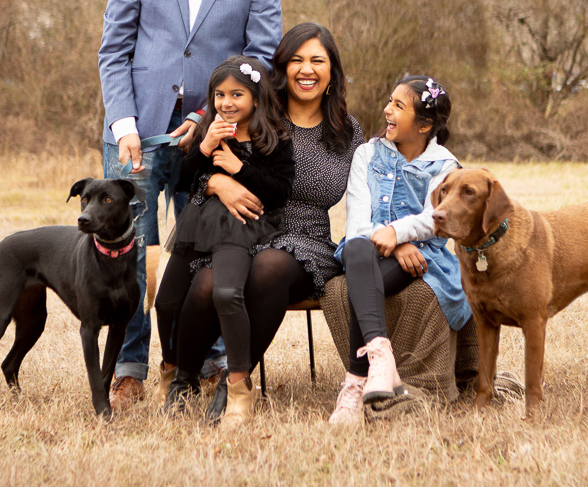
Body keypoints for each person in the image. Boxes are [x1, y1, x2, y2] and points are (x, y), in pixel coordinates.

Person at [98, 0, 283, 409]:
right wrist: (124, 124)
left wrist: (212, 120)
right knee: (130, 250)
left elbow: (261, 55)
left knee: (205, 247)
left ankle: (200, 358)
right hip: (138, 132)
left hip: (217, 133)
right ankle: (129, 365)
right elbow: (115, 46)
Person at [170, 22, 364, 422]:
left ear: (332, 72)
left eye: (317, 60)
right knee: (207, 282)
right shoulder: (255, 113)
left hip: (306, 240)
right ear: (282, 67)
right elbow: (201, 169)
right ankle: (183, 379)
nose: (306, 69)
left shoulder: (347, 130)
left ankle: (234, 382)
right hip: (243, 230)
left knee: (269, 266)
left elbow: (367, 192)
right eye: (296, 60)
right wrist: (217, 184)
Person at [153, 56, 295, 427]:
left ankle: (237, 386)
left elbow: (278, 193)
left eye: (237, 94)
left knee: (226, 294)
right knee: (166, 302)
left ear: (256, 97)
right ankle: (176, 378)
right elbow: (183, 181)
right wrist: (204, 151)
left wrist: (237, 169)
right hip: (197, 226)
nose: (227, 102)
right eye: (219, 94)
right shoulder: (210, 129)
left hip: (240, 228)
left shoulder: (273, 138)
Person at [328, 75, 470, 425]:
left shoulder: (445, 166)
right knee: (358, 248)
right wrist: (392, 239)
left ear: (423, 125)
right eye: (390, 102)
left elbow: (435, 218)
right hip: (365, 249)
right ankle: (380, 362)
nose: (386, 110)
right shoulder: (367, 153)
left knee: (364, 275)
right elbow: (358, 220)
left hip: (424, 256)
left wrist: (399, 233)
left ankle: (355, 382)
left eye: (398, 106)